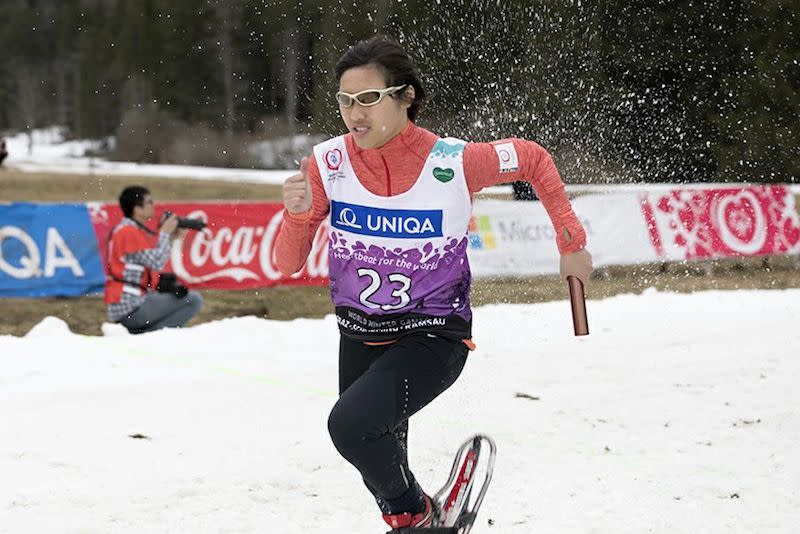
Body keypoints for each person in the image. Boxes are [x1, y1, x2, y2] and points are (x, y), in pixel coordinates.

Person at [275, 35, 593, 530]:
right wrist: (296, 217)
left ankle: (419, 517)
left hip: (432, 335)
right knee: (376, 455)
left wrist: (571, 242)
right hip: (360, 335)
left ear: (406, 97)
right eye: (344, 101)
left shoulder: (455, 161)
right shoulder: (327, 163)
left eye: (368, 99)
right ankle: (420, 521)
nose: (354, 114)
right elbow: (288, 263)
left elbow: (531, 158)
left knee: (351, 427)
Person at [104, 186, 203, 334]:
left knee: (183, 297)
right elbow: (157, 262)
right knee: (194, 300)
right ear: (137, 209)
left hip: (126, 303)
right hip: (130, 306)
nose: (153, 206)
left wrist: (170, 238)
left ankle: (149, 336)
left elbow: (151, 261)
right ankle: (153, 338)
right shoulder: (127, 232)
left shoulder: (127, 230)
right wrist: (165, 233)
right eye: (149, 202)